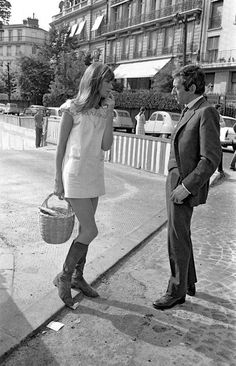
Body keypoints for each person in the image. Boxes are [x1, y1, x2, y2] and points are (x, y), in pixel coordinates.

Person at [153, 65, 221, 310]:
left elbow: (210, 159)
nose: (173, 91)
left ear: (191, 88)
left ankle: (176, 291)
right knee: (181, 234)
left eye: (176, 87)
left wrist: (186, 187)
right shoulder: (189, 110)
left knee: (176, 238)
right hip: (176, 181)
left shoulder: (206, 112)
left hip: (183, 186)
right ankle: (188, 282)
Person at [53, 62, 115, 307]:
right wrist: (57, 179)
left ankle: (78, 277)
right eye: (108, 81)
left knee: (84, 231)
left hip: (94, 173)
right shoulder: (72, 108)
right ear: (96, 81)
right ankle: (64, 278)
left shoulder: (103, 110)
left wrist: (109, 113)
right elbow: (59, 147)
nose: (112, 86)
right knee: (91, 230)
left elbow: (107, 145)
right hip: (75, 175)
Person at [214, 104, 225, 176]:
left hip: (216, 137)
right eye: (220, 109)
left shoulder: (219, 116)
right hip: (211, 137)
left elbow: (224, 124)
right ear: (216, 109)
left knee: (220, 153)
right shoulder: (211, 115)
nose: (220, 110)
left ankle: (220, 169)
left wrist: (218, 123)